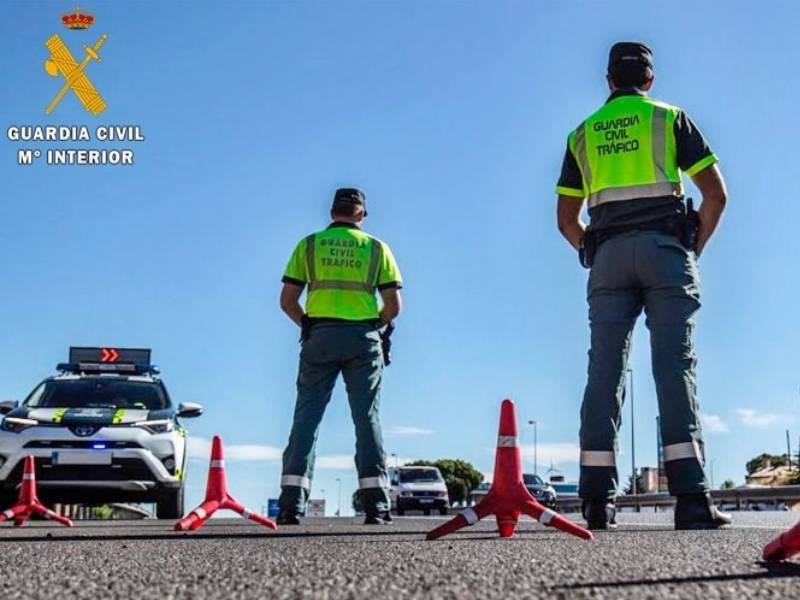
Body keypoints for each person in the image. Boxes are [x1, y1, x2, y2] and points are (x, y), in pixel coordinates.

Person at [555, 42, 730, 530]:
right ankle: (692, 500)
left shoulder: (582, 133)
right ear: (649, 80)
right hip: (665, 251)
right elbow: (715, 194)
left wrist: (588, 250)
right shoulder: (669, 117)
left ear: (609, 80)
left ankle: (595, 500)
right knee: (674, 367)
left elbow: (566, 218)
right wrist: (693, 248)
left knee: (603, 372)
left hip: (608, 257)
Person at [277, 188, 403, 525]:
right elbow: (394, 307)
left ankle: (290, 505)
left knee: (306, 418)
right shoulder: (377, 248)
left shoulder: (310, 245)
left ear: (333, 212)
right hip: (363, 338)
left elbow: (287, 300)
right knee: (366, 420)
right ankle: (376, 506)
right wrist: (374, 324)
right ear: (361, 214)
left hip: (320, 336)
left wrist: (309, 326)